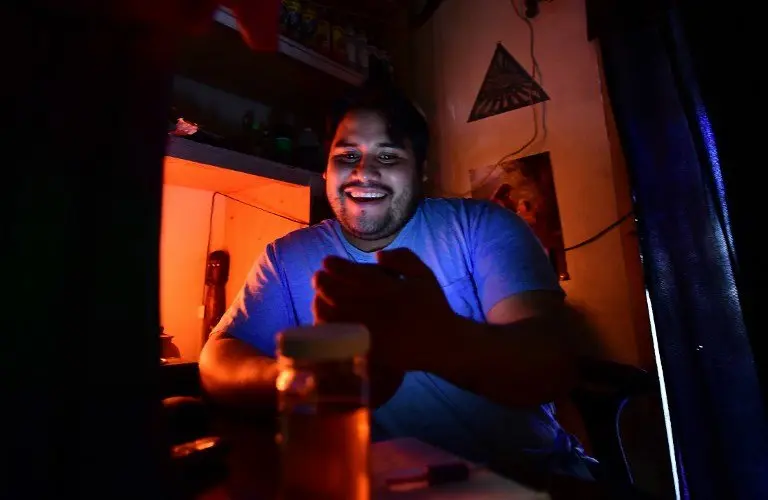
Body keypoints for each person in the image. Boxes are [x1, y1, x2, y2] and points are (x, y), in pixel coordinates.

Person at [199, 83, 594, 479]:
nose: (363, 171)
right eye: (347, 155)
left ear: (421, 170)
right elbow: (217, 359)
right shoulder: (286, 257)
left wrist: (435, 341)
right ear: (325, 170)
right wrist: (300, 380)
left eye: (388, 155)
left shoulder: (482, 226)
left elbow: (552, 362)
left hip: (529, 481)